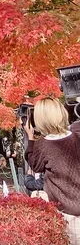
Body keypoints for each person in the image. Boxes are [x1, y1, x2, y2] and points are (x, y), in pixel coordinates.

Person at [25, 98, 80, 244]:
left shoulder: (44, 145)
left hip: (66, 212)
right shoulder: (76, 135)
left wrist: (30, 138)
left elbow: (34, 165)